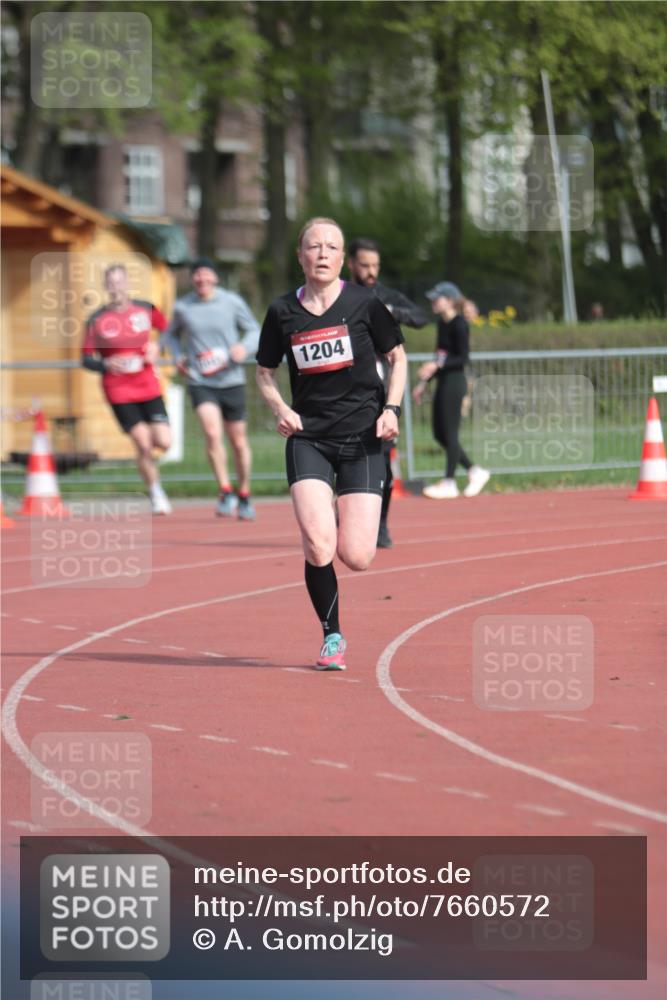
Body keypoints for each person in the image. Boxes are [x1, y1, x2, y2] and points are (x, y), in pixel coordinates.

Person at [256, 218, 407, 671]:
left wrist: (391, 410)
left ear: (342, 259)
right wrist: (281, 409)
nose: (322, 253)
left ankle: (348, 520)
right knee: (319, 545)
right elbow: (264, 371)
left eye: (331, 247)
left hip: (362, 438)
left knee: (357, 556)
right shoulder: (283, 312)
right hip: (309, 440)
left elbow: (397, 358)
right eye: (313, 246)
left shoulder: (365, 303)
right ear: (300, 256)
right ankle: (332, 636)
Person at [347, 237, 429, 548]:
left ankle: (380, 524)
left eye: (375, 266)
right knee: (345, 462)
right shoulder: (341, 295)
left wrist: (393, 311)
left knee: (382, 466)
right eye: (364, 265)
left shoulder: (385, 295)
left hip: (382, 395)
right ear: (352, 264)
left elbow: (421, 316)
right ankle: (347, 520)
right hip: (347, 392)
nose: (370, 272)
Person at [163, 258, 260, 520]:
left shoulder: (231, 301)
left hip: (231, 379)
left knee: (238, 442)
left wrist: (244, 347)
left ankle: (244, 493)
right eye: (197, 276)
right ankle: (225, 491)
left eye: (206, 276)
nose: (202, 280)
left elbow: (254, 330)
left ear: (215, 278)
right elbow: (169, 335)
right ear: (192, 279)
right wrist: (177, 356)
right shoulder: (183, 306)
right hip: (200, 379)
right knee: (212, 433)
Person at [81, 263, 172, 515]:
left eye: (119, 281)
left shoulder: (145, 308)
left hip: (147, 384)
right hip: (118, 388)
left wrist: (157, 346)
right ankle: (156, 491)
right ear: (106, 286)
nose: (116, 286)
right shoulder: (97, 319)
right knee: (143, 445)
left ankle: (152, 470)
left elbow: (168, 330)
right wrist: (105, 363)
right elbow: (85, 358)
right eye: (111, 282)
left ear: (127, 283)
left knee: (163, 441)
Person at [412, 281, 490, 499]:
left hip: (456, 382)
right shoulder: (442, 324)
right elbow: (441, 357)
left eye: (437, 298)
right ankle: (475, 471)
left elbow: (461, 358)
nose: (433, 302)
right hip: (444, 380)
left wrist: (437, 365)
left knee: (450, 432)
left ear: (450, 301)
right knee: (439, 433)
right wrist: (423, 383)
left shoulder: (459, 324)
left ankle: (449, 482)